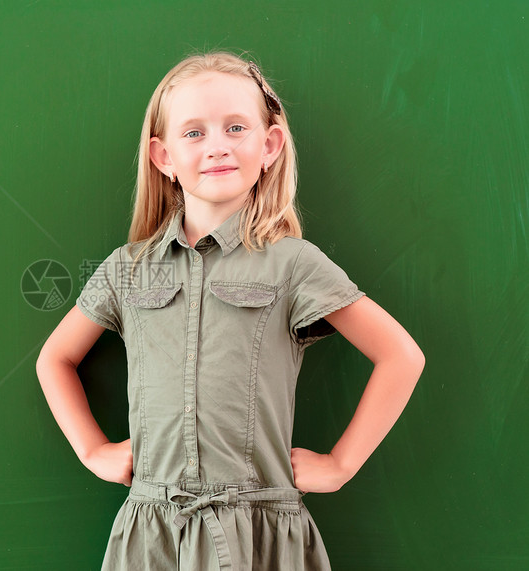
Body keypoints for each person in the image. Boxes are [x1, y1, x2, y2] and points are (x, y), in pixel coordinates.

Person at [35, 51, 424, 570]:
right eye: (193, 133)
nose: (216, 146)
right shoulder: (128, 268)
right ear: (163, 157)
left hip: (257, 533)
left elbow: (401, 356)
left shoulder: (293, 264)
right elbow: (54, 359)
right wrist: (93, 450)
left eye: (235, 127)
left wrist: (340, 464)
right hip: (154, 534)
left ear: (269, 146)